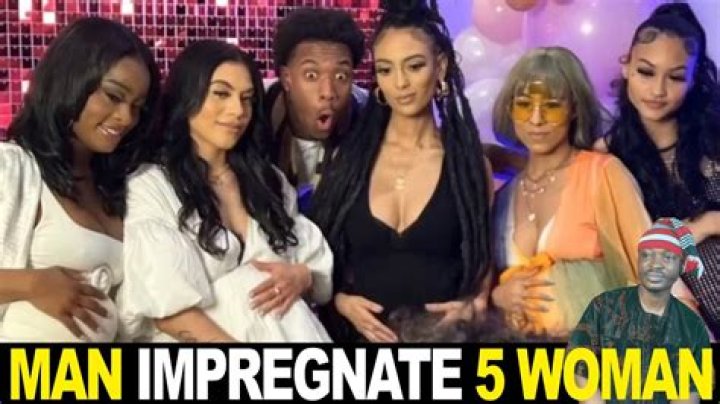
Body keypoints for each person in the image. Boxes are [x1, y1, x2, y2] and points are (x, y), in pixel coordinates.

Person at [119, 40, 332, 342]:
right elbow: (169, 312)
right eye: (221, 93)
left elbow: (311, 264)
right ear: (187, 95)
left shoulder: (269, 181)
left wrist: (303, 276)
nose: (238, 111)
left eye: (247, 99)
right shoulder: (150, 185)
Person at [311, 0, 494, 342]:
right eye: (386, 70)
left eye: (414, 66)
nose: (400, 83)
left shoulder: (467, 168)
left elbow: (482, 261)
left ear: (440, 67)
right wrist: (339, 301)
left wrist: (474, 305)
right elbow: (318, 256)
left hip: (442, 350)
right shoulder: (350, 161)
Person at [0, 17, 160, 341]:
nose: (126, 118)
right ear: (70, 81)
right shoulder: (12, 167)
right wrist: (33, 284)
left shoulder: (124, 187)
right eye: (113, 96)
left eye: (138, 107)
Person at [490, 47, 651, 338]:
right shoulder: (504, 198)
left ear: (574, 108)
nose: (536, 119)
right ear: (510, 109)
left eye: (551, 105)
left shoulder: (602, 174)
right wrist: (497, 296)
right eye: (524, 105)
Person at [597, 3, 720, 340]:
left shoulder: (713, 138)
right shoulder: (606, 156)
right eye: (646, 72)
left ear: (694, 79)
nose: (658, 90)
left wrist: (706, 224)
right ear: (626, 66)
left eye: (676, 77)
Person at [569, 218, 709, 404]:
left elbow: (690, 390)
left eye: (666, 258)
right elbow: (577, 362)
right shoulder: (603, 307)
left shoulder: (690, 323)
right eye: (647, 256)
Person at [266, 8, 366, 210]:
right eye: (311, 75)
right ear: (286, 78)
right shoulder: (254, 117)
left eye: (341, 76)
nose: (328, 92)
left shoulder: (370, 122)